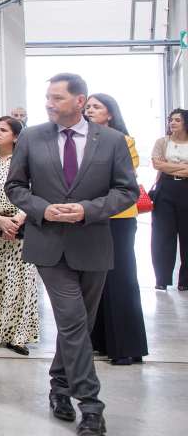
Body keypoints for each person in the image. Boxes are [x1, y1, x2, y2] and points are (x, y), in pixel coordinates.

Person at [6, 73, 138, 436]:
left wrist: (86, 210)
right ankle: (91, 406)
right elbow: (14, 186)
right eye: (47, 97)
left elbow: (127, 190)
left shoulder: (112, 141)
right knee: (73, 320)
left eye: (58, 97)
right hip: (48, 245)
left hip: (93, 242)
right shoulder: (32, 137)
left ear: (80, 101)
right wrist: (45, 210)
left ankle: (59, 385)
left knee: (80, 323)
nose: (49, 103)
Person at [85, 94, 148, 365]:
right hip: (92, 216)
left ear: (110, 114)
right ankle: (100, 341)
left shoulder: (124, 140)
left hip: (119, 216)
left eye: (96, 107)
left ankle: (125, 347)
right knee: (96, 279)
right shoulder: (81, 140)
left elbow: (122, 179)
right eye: (87, 106)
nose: (89, 110)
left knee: (121, 278)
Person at [0, 116, 38, 356]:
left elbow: (32, 193)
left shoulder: (25, 164)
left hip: (19, 227)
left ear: (15, 136)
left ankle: (17, 336)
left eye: (4, 130)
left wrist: (17, 220)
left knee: (19, 283)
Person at [151, 108, 188, 291]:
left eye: (177, 120)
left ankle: (185, 281)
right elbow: (157, 164)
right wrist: (181, 167)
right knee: (162, 235)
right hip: (165, 189)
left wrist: (169, 166)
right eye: (170, 120)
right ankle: (162, 279)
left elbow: (164, 165)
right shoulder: (162, 142)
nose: (172, 123)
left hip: (186, 189)